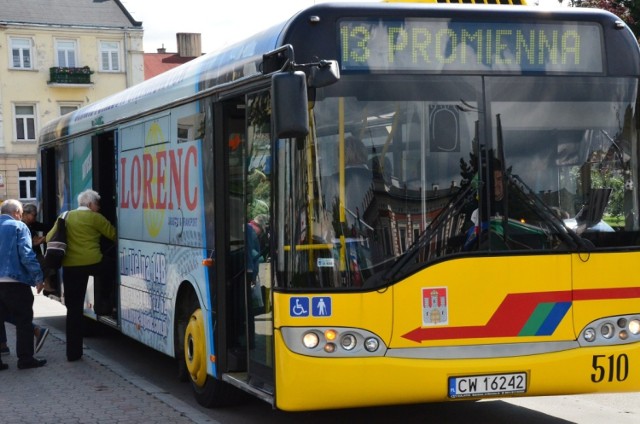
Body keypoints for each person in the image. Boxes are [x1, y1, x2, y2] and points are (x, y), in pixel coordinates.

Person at [46, 189, 116, 362]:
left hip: (70, 267)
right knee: (112, 268)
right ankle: (107, 300)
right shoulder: (95, 217)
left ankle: (73, 354)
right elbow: (113, 235)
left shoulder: (65, 216)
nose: (98, 208)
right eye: (97, 204)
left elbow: (49, 237)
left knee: (74, 310)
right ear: (91, 204)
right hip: (94, 263)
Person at [0, 199, 46, 370]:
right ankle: (25, 359)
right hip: (15, 282)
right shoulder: (19, 227)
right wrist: (38, 277)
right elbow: (26, 255)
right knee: (23, 320)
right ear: (17, 213)